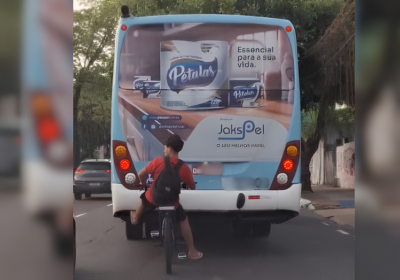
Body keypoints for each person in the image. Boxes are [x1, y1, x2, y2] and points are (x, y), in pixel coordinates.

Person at [131, 135, 203, 260]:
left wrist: (143, 182)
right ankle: (192, 251)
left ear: (170, 148)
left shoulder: (158, 161)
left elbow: (141, 174)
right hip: (172, 202)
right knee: (183, 219)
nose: (164, 150)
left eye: (165, 147)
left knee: (144, 198)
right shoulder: (183, 167)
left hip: (154, 199)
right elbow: (192, 185)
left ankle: (136, 219)